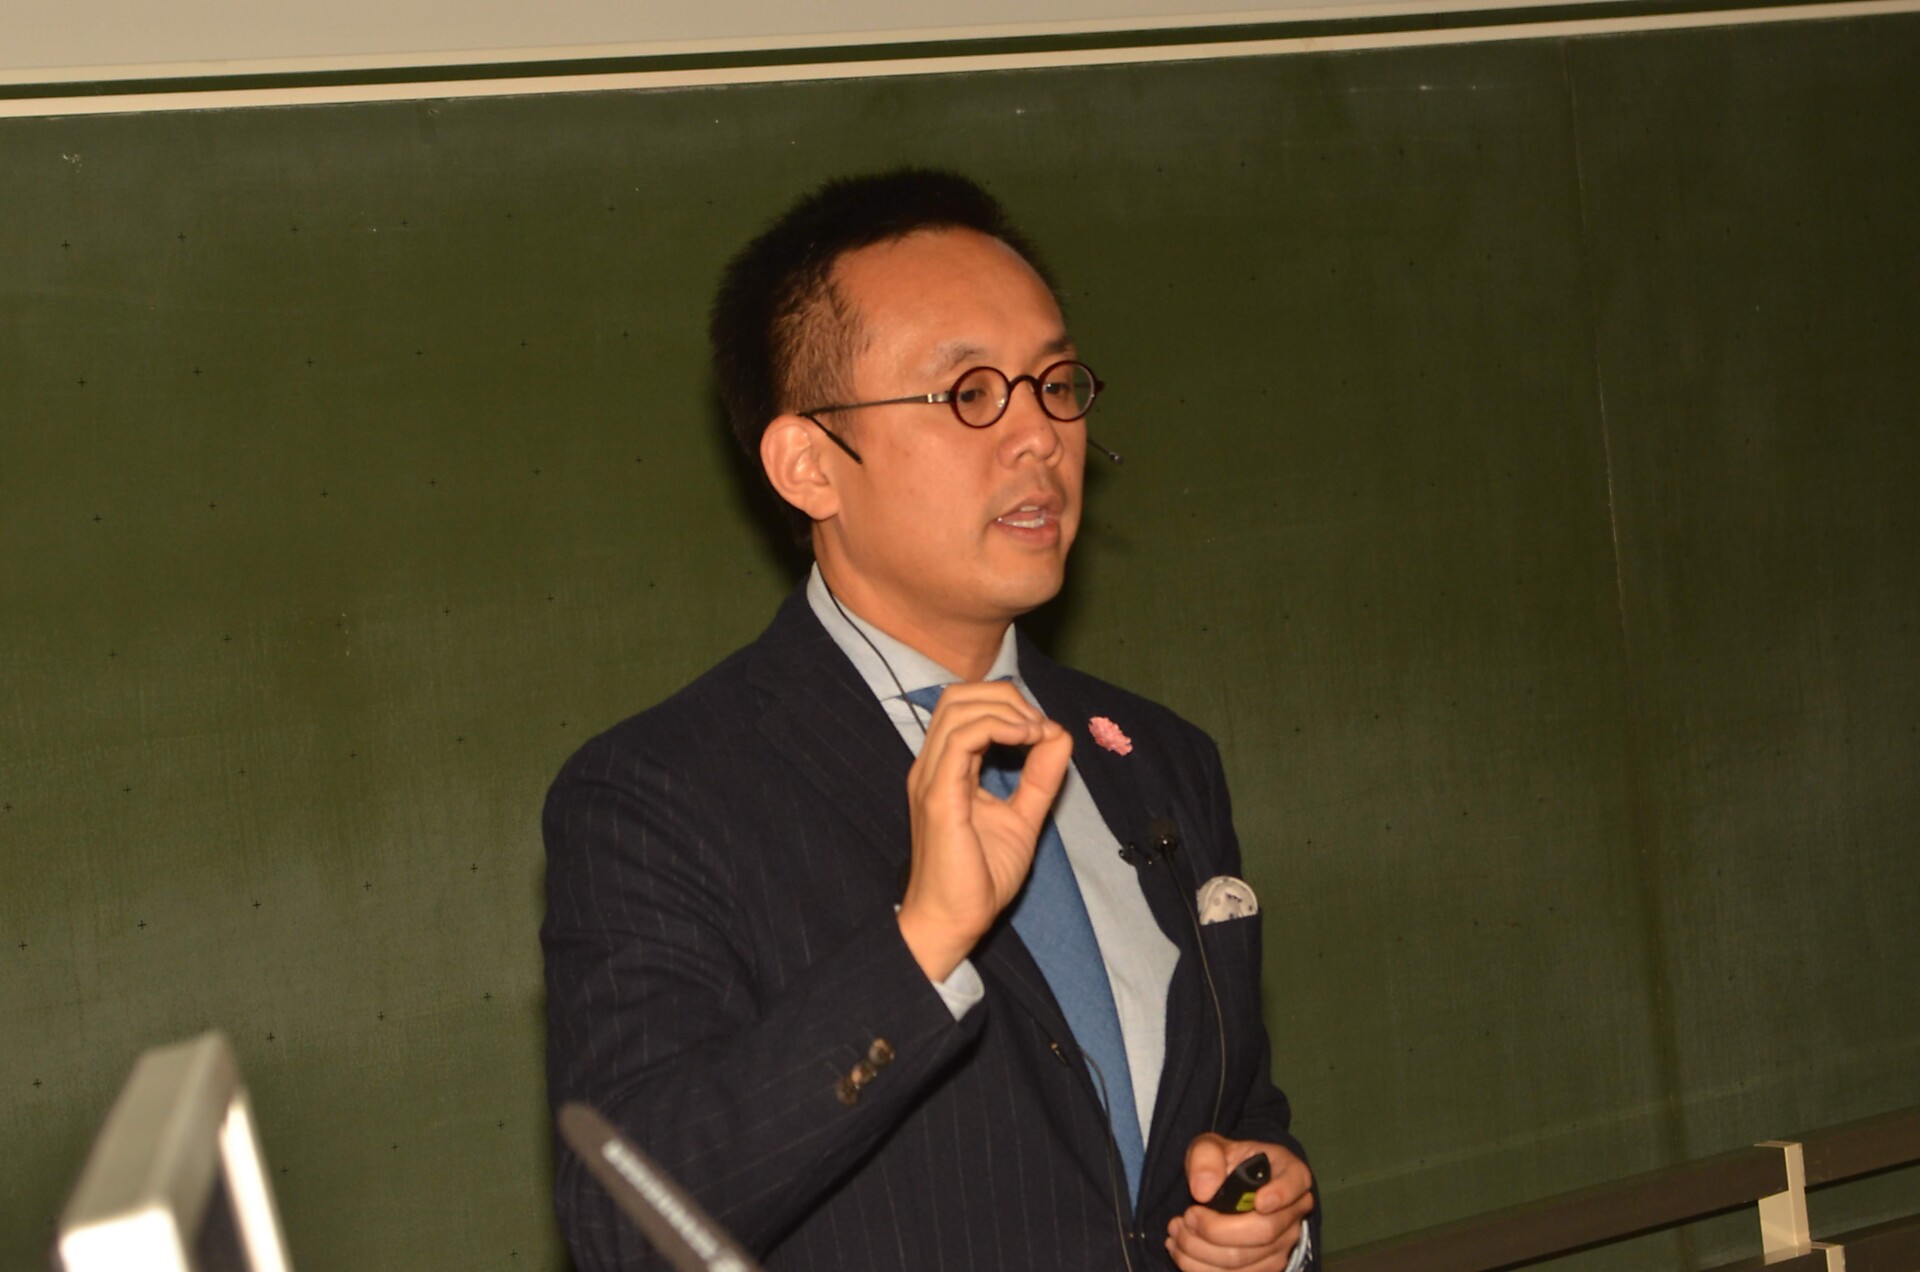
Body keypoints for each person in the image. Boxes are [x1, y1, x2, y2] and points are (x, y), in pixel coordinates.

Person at [542, 169, 1317, 1272]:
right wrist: (923, 942)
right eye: (969, 395)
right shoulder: (658, 796)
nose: (1039, 436)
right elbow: (624, 1220)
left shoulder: (1157, 759)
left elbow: (1237, 1121)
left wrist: (1270, 1224)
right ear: (809, 465)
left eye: (1055, 383)